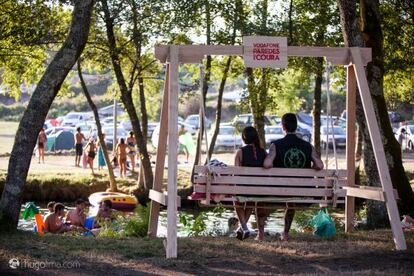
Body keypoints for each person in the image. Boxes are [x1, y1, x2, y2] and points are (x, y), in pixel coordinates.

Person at [263, 113, 324, 241]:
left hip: (279, 191)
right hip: (303, 191)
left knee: (282, 198)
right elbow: (319, 165)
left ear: (283, 127)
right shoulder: (308, 146)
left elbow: (267, 164)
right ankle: (285, 233)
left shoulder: (276, 145)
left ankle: (266, 232)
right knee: (291, 199)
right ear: (296, 127)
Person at [234, 126, 267, 240]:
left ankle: (244, 227)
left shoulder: (240, 152)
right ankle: (242, 228)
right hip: (258, 191)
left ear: (244, 138)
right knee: (251, 201)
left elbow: (236, 174)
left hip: (243, 189)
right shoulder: (263, 152)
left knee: (237, 201)